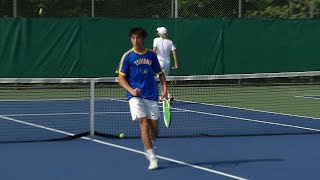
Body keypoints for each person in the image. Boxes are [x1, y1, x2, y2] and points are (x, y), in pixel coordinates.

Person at [116, 27, 168, 170]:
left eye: (138, 38)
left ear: (143, 39)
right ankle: (153, 158)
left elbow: (161, 74)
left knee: (155, 130)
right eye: (133, 38)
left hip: (151, 95)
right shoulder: (127, 56)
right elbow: (120, 78)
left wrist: (165, 90)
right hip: (135, 97)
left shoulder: (151, 55)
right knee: (144, 124)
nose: (135, 41)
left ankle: (150, 141)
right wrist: (131, 90)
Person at [153, 27, 178, 100]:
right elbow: (174, 52)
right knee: (163, 80)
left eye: (158, 32)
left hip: (159, 63)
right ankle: (164, 96)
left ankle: (166, 95)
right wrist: (176, 62)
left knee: (161, 80)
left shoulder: (156, 40)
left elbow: (154, 50)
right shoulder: (170, 42)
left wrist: (150, 59)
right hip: (167, 64)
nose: (157, 33)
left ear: (160, 33)